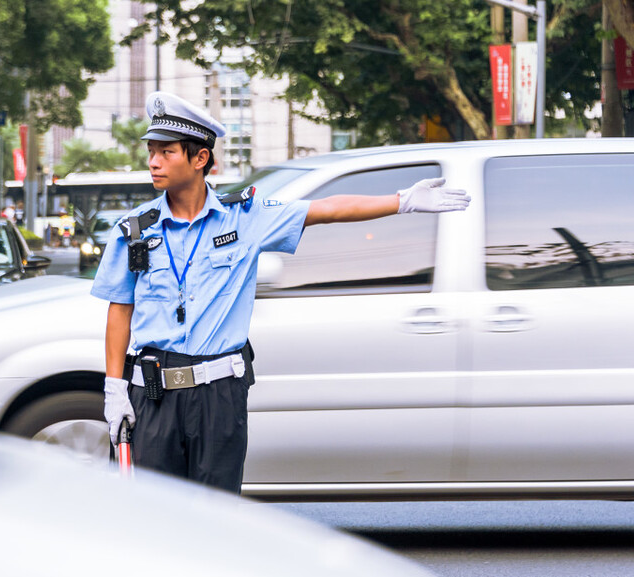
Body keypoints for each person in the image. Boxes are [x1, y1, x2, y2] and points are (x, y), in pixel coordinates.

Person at [90, 92, 470, 493]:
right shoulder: (135, 228)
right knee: (153, 521)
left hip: (219, 397)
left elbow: (328, 209)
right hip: (153, 397)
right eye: (151, 151)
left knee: (216, 520)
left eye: (166, 152)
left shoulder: (246, 217)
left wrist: (403, 201)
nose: (153, 162)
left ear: (199, 159)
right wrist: (114, 389)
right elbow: (120, 312)